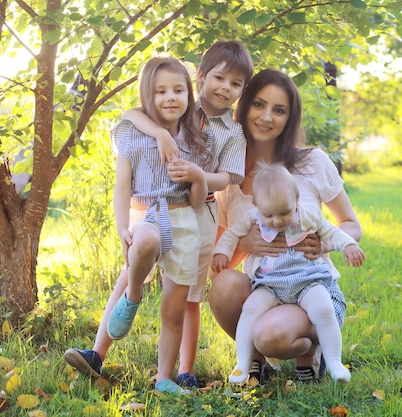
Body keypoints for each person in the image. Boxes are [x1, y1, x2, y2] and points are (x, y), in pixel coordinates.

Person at [64, 41, 254, 390]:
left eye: (235, 83)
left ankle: (183, 369)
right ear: (200, 76)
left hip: (201, 209)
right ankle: (97, 353)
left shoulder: (231, 130)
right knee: (131, 272)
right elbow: (131, 115)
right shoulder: (179, 103)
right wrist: (161, 133)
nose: (225, 88)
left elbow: (229, 177)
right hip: (157, 207)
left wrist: (198, 175)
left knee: (188, 295)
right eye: (219, 78)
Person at [208, 69, 364, 384]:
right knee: (224, 286)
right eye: (259, 105)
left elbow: (350, 223)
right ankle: (252, 362)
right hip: (266, 285)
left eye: (279, 110)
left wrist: (325, 243)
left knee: (270, 335)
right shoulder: (228, 179)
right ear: (244, 106)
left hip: (310, 284)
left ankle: (315, 348)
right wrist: (245, 244)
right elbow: (220, 261)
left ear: (289, 118)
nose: (266, 117)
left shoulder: (313, 162)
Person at [212, 162, 364, 384]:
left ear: (296, 200)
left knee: (322, 307)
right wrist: (221, 252)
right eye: (269, 215)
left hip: (308, 282)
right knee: (250, 310)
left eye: (284, 212)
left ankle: (333, 361)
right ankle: (243, 364)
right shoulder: (253, 217)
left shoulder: (306, 215)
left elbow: (330, 230)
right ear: (256, 205)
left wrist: (348, 245)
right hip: (270, 286)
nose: (277, 221)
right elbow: (232, 234)